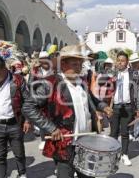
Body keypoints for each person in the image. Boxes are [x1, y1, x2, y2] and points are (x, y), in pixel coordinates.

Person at [22, 45, 112, 178]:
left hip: (86, 143)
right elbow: (28, 107)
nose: (78, 67)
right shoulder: (49, 83)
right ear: (63, 64)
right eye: (75, 64)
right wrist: (51, 128)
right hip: (65, 144)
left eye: (80, 64)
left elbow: (92, 99)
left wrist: (103, 106)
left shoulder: (82, 82)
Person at [0, 56, 31, 178]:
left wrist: (27, 120)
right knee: (0, 156)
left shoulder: (18, 80)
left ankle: (22, 174)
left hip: (15, 123)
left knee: (19, 153)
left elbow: (27, 101)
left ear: (4, 69)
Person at [110, 51, 139, 166]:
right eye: (118, 60)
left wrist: (138, 109)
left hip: (128, 106)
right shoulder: (113, 73)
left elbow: (137, 92)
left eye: (123, 61)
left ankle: (124, 154)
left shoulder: (133, 74)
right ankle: (112, 154)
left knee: (125, 132)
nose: (120, 63)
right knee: (113, 133)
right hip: (115, 106)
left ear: (127, 62)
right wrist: (113, 71)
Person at [28, 51, 55, 150]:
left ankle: (54, 138)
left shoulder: (54, 70)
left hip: (53, 98)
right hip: (40, 98)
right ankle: (44, 140)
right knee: (43, 119)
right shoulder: (35, 71)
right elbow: (30, 85)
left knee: (53, 118)